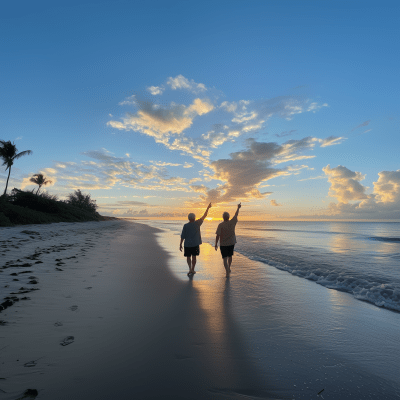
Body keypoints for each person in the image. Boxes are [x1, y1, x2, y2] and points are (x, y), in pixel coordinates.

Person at [180, 203, 212, 276]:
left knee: (188, 257)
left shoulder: (185, 225)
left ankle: (190, 269)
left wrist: (180, 244)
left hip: (187, 244)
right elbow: (204, 216)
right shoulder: (197, 223)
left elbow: (183, 236)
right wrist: (208, 208)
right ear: (194, 218)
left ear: (188, 218)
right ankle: (193, 269)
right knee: (194, 257)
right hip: (195, 244)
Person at [215, 202, 241, 277]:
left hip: (223, 244)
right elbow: (236, 214)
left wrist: (216, 244)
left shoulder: (220, 225)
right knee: (230, 256)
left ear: (223, 217)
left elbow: (217, 235)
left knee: (224, 259)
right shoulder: (232, 222)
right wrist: (238, 208)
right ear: (228, 217)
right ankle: (229, 268)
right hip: (231, 243)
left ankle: (227, 271)